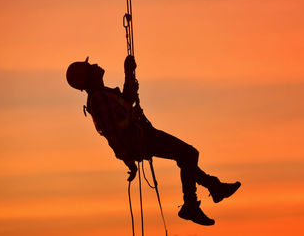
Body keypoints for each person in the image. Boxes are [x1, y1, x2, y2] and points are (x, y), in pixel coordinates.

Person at [66, 56, 241, 226]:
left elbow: (127, 101)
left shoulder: (104, 95)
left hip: (143, 137)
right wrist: (129, 161)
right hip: (142, 140)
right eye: (90, 67)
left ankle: (210, 191)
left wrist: (128, 72)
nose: (95, 65)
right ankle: (196, 201)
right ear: (88, 77)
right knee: (188, 154)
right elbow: (113, 135)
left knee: (186, 156)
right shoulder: (99, 99)